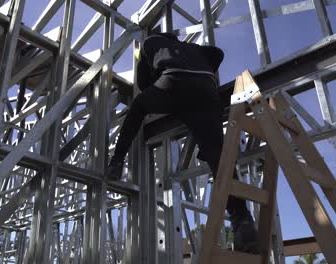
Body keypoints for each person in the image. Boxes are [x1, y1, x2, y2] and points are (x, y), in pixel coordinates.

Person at [106, 32, 258, 253]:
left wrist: (149, 68)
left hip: (173, 80)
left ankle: (117, 161)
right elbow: (218, 54)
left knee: (138, 106)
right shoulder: (192, 47)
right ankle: (243, 221)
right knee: (218, 154)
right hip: (206, 88)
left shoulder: (149, 43)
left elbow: (143, 83)